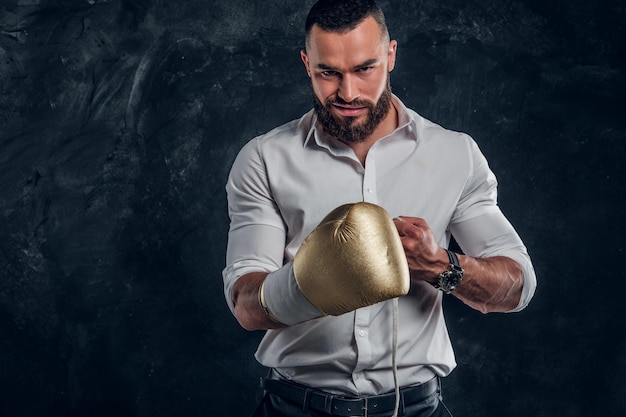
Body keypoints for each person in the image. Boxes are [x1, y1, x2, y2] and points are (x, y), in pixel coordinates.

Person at [222, 1, 537, 416]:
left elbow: (517, 286)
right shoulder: (264, 158)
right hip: (294, 407)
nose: (348, 92)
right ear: (306, 63)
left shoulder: (454, 154)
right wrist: (316, 280)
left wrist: (440, 266)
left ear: (390, 56)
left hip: (416, 407)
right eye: (328, 72)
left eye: (364, 69)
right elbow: (245, 304)